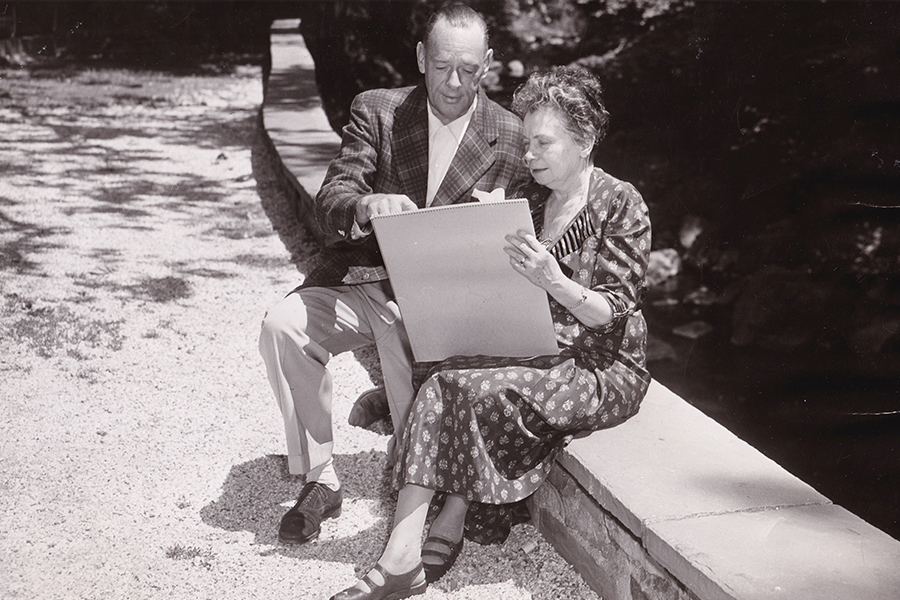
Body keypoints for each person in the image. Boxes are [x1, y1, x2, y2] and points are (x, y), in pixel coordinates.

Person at [326, 65, 651, 600]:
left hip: (599, 362)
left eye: (543, 144)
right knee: (446, 372)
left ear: (586, 140)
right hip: (531, 343)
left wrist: (554, 279)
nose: (529, 156)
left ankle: (429, 534)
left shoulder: (619, 203)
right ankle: (409, 548)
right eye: (527, 144)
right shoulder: (533, 195)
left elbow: (609, 312)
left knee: (462, 384)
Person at [258, 4, 529, 548]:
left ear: (489, 64)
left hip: (441, 302)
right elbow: (331, 199)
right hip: (364, 278)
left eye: (470, 70)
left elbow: (522, 243)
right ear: (422, 56)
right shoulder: (378, 111)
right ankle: (319, 478)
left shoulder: (513, 136)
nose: (454, 83)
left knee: (410, 339)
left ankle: (417, 489)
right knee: (281, 326)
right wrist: (364, 205)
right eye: (443, 66)